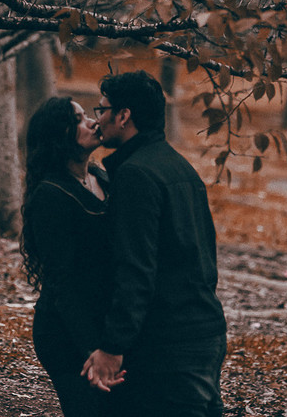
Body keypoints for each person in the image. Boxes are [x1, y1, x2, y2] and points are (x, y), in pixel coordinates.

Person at [81, 70, 227, 417]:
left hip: (170, 345)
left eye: (101, 109)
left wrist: (113, 346)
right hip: (204, 331)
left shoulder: (136, 176)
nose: (97, 119)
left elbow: (135, 268)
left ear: (124, 115)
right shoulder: (179, 168)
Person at [21, 97, 115, 417]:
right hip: (65, 333)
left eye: (89, 115)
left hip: (103, 327)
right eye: (78, 119)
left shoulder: (102, 177)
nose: (92, 122)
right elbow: (62, 281)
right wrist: (92, 349)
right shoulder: (51, 195)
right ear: (59, 133)